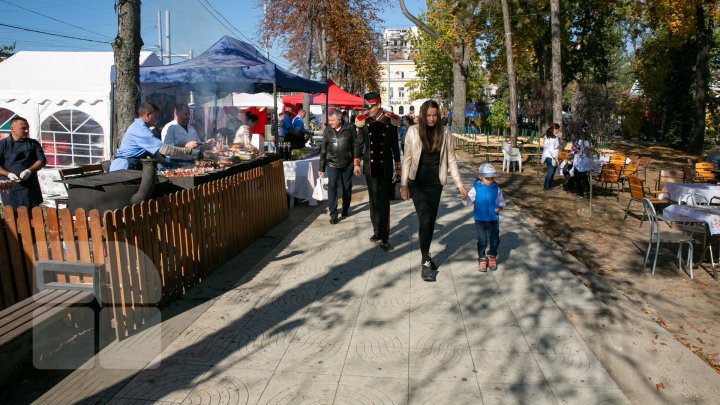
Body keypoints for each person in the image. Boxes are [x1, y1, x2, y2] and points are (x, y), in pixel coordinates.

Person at [400, 100, 467, 281]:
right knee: (425, 219)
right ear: (423, 115)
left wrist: (459, 184)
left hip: (435, 184)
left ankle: (426, 254)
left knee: (430, 221)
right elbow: (406, 159)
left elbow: (451, 160)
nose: (431, 119)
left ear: (439, 116)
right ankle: (425, 262)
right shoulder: (413, 132)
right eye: (428, 115)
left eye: (434, 115)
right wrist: (403, 184)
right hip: (418, 183)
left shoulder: (445, 133)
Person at [354, 91, 401, 250]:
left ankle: (384, 235)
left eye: (371, 106)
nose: (368, 109)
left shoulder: (390, 120)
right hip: (369, 166)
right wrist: (356, 163)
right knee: (373, 200)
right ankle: (376, 231)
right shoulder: (363, 121)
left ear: (379, 105)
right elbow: (359, 144)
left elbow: (395, 145)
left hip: (386, 166)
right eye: (367, 106)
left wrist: (398, 166)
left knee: (384, 200)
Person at [110, 102, 202, 171]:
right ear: (148, 115)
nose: (157, 119)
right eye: (156, 116)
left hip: (132, 165)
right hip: (124, 168)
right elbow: (165, 149)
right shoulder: (140, 130)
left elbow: (154, 152)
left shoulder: (142, 127)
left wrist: (164, 163)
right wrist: (191, 151)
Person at [463, 163, 506, 272]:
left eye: (492, 178)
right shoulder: (475, 189)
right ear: (480, 176)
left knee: (495, 239)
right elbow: (468, 202)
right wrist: (465, 197)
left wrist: (500, 208)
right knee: (482, 240)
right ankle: (482, 258)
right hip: (480, 220)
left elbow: (502, 202)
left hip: (493, 219)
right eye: (487, 178)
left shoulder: (496, 189)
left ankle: (492, 256)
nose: (490, 180)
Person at [0, 117, 47, 208]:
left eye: (28, 128)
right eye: (23, 128)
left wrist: (29, 171)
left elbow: (42, 161)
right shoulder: (3, 144)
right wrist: (8, 174)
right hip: (9, 186)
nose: (26, 130)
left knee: (33, 215)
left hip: (30, 185)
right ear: (12, 129)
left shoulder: (33, 143)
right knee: (12, 215)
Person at [318, 109, 355, 224]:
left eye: (332, 120)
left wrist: (356, 162)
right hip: (332, 164)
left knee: (346, 188)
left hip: (347, 164)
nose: (330, 122)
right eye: (329, 120)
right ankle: (333, 213)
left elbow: (356, 145)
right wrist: (321, 167)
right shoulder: (327, 130)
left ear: (340, 119)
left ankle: (345, 208)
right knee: (332, 186)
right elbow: (323, 149)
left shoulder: (350, 128)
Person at [161, 103, 209, 167]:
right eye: (186, 114)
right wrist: (185, 146)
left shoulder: (191, 128)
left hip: (191, 163)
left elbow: (197, 144)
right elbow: (167, 149)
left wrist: (206, 144)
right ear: (177, 113)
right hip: (175, 163)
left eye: (189, 114)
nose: (188, 116)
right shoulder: (169, 128)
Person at [541, 126, 560, 190]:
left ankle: (548, 185)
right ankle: (546, 187)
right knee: (550, 171)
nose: (558, 131)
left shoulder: (548, 136)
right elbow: (551, 150)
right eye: (558, 130)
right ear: (554, 129)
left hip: (548, 156)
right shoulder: (553, 138)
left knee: (551, 171)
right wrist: (556, 159)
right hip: (550, 156)